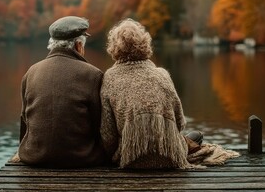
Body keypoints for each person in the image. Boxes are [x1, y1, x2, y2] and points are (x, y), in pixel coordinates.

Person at [100, 18, 202, 169]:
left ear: (114, 48)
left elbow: (108, 135)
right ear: (144, 44)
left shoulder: (109, 78)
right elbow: (180, 122)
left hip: (130, 160)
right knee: (197, 136)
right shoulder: (162, 74)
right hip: (171, 158)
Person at [15, 16, 106, 168]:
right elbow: (99, 124)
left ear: (52, 44)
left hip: (35, 157)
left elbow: (25, 118)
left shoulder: (31, 72)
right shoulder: (93, 75)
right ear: (78, 46)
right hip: (81, 159)